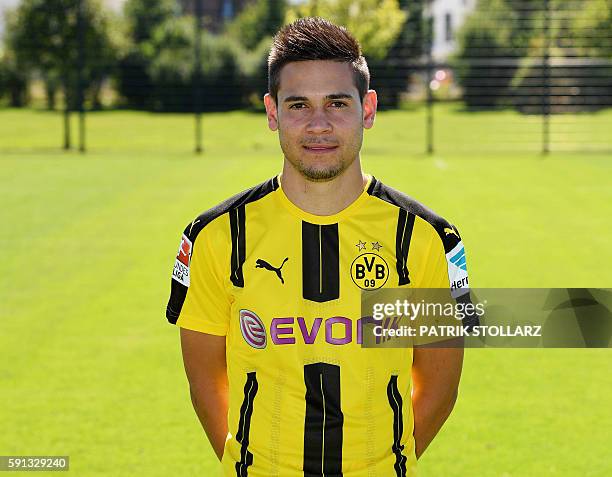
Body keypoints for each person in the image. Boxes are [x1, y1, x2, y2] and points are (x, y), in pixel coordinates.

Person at [166, 17, 471, 477]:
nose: (319, 124)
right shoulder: (216, 237)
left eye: (336, 103)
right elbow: (205, 380)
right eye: (298, 105)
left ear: (367, 109)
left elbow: (440, 385)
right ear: (272, 113)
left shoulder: (425, 239)